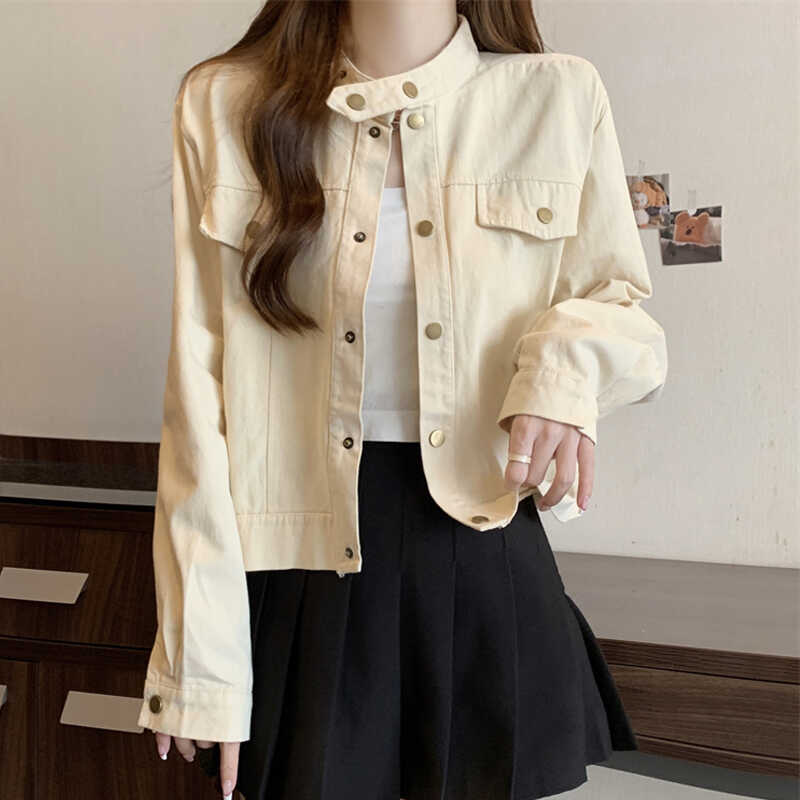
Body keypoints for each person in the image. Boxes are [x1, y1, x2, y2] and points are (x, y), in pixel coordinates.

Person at [138, 1, 668, 799]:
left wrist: (562, 374)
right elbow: (197, 393)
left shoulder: (556, 95)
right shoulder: (224, 101)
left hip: (481, 559)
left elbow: (620, 308)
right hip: (298, 573)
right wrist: (199, 659)